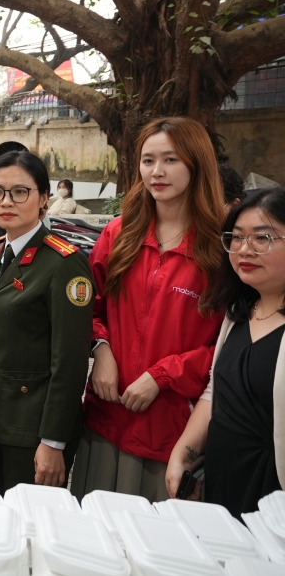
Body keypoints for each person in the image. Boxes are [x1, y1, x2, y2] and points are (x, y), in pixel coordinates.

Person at [72, 117, 226, 501]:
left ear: (197, 164)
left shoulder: (220, 248)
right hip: (106, 418)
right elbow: (89, 308)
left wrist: (162, 375)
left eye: (171, 160)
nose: (157, 172)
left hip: (171, 430)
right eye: (147, 160)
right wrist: (101, 349)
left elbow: (227, 345)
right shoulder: (119, 234)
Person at [0, 151, 93, 491]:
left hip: (32, 429)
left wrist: (53, 441)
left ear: (44, 199)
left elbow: (69, 361)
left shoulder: (63, 263)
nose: (6, 201)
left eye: (20, 192)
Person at [167, 188, 285, 514]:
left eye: (263, 238)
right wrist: (183, 454)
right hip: (221, 483)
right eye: (236, 237)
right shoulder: (238, 314)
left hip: (271, 496)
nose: (244, 249)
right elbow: (216, 391)